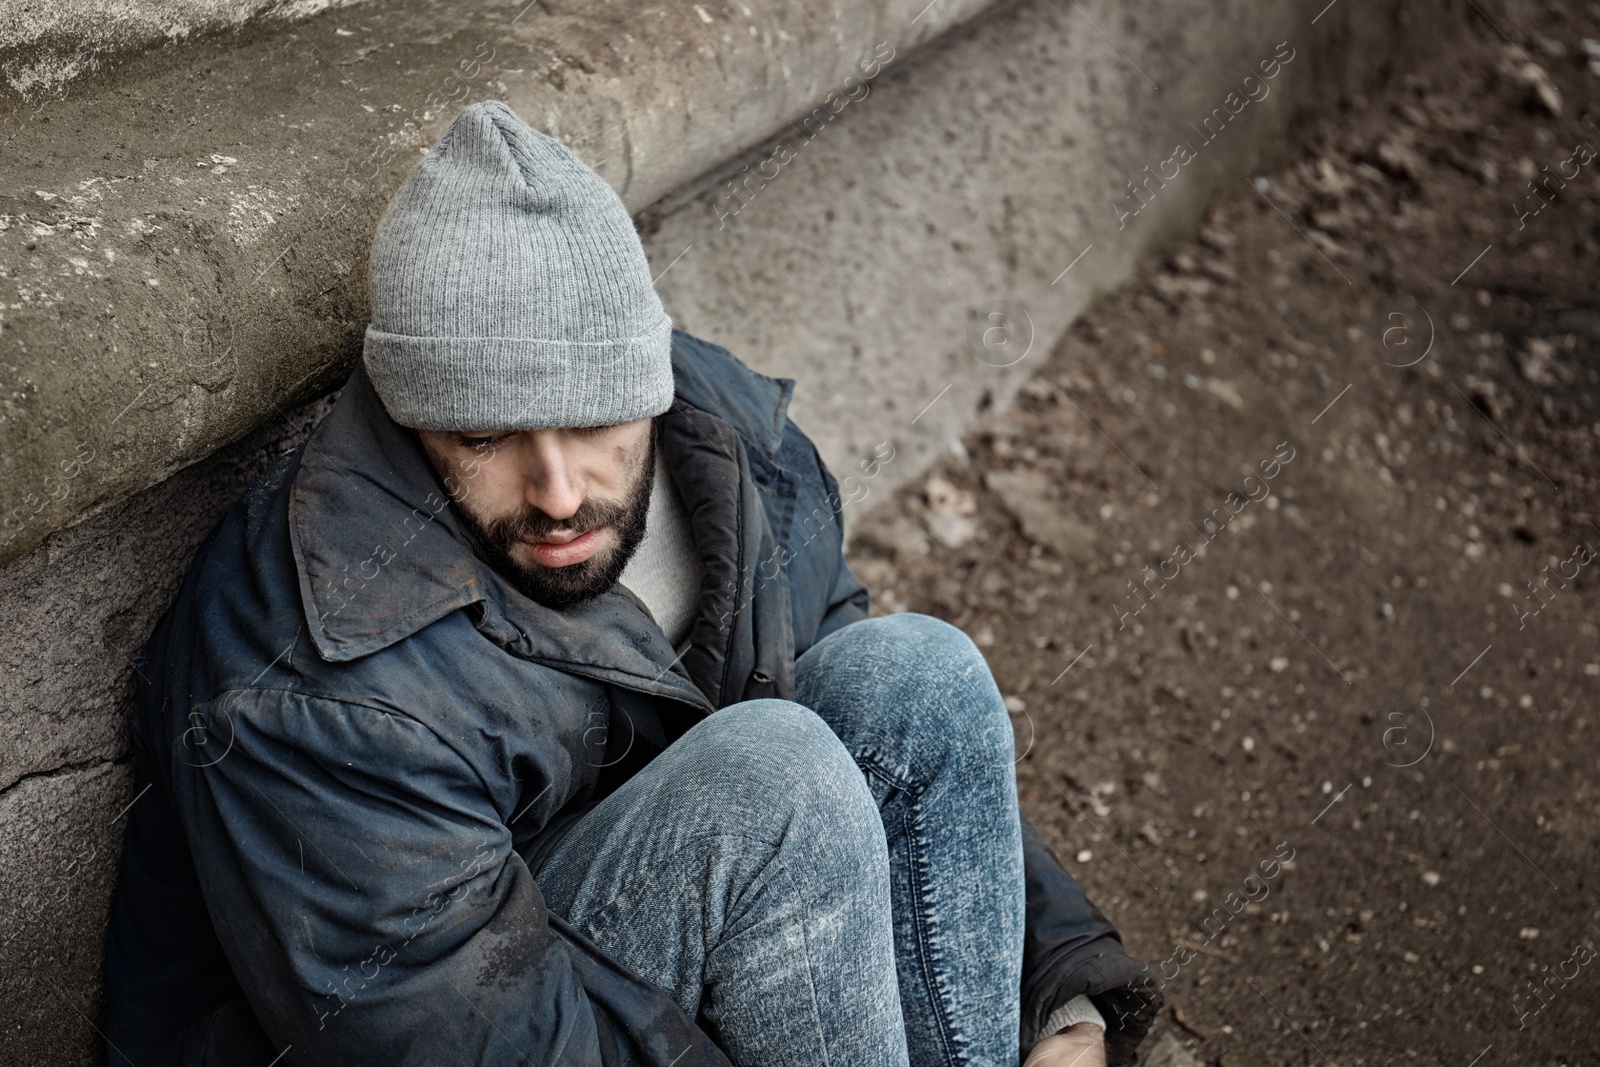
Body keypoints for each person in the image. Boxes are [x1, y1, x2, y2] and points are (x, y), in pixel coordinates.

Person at [104, 100, 1159, 1067]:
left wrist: (1058, 997)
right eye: (482, 436)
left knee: (912, 674)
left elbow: (888, 749)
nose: (557, 492)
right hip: (444, 1024)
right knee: (774, 778)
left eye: (599, 423)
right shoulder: (313, 671)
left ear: (645, 384)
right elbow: (470, 1036)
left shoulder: (719, 440)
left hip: (612, 957)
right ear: (410, 414)